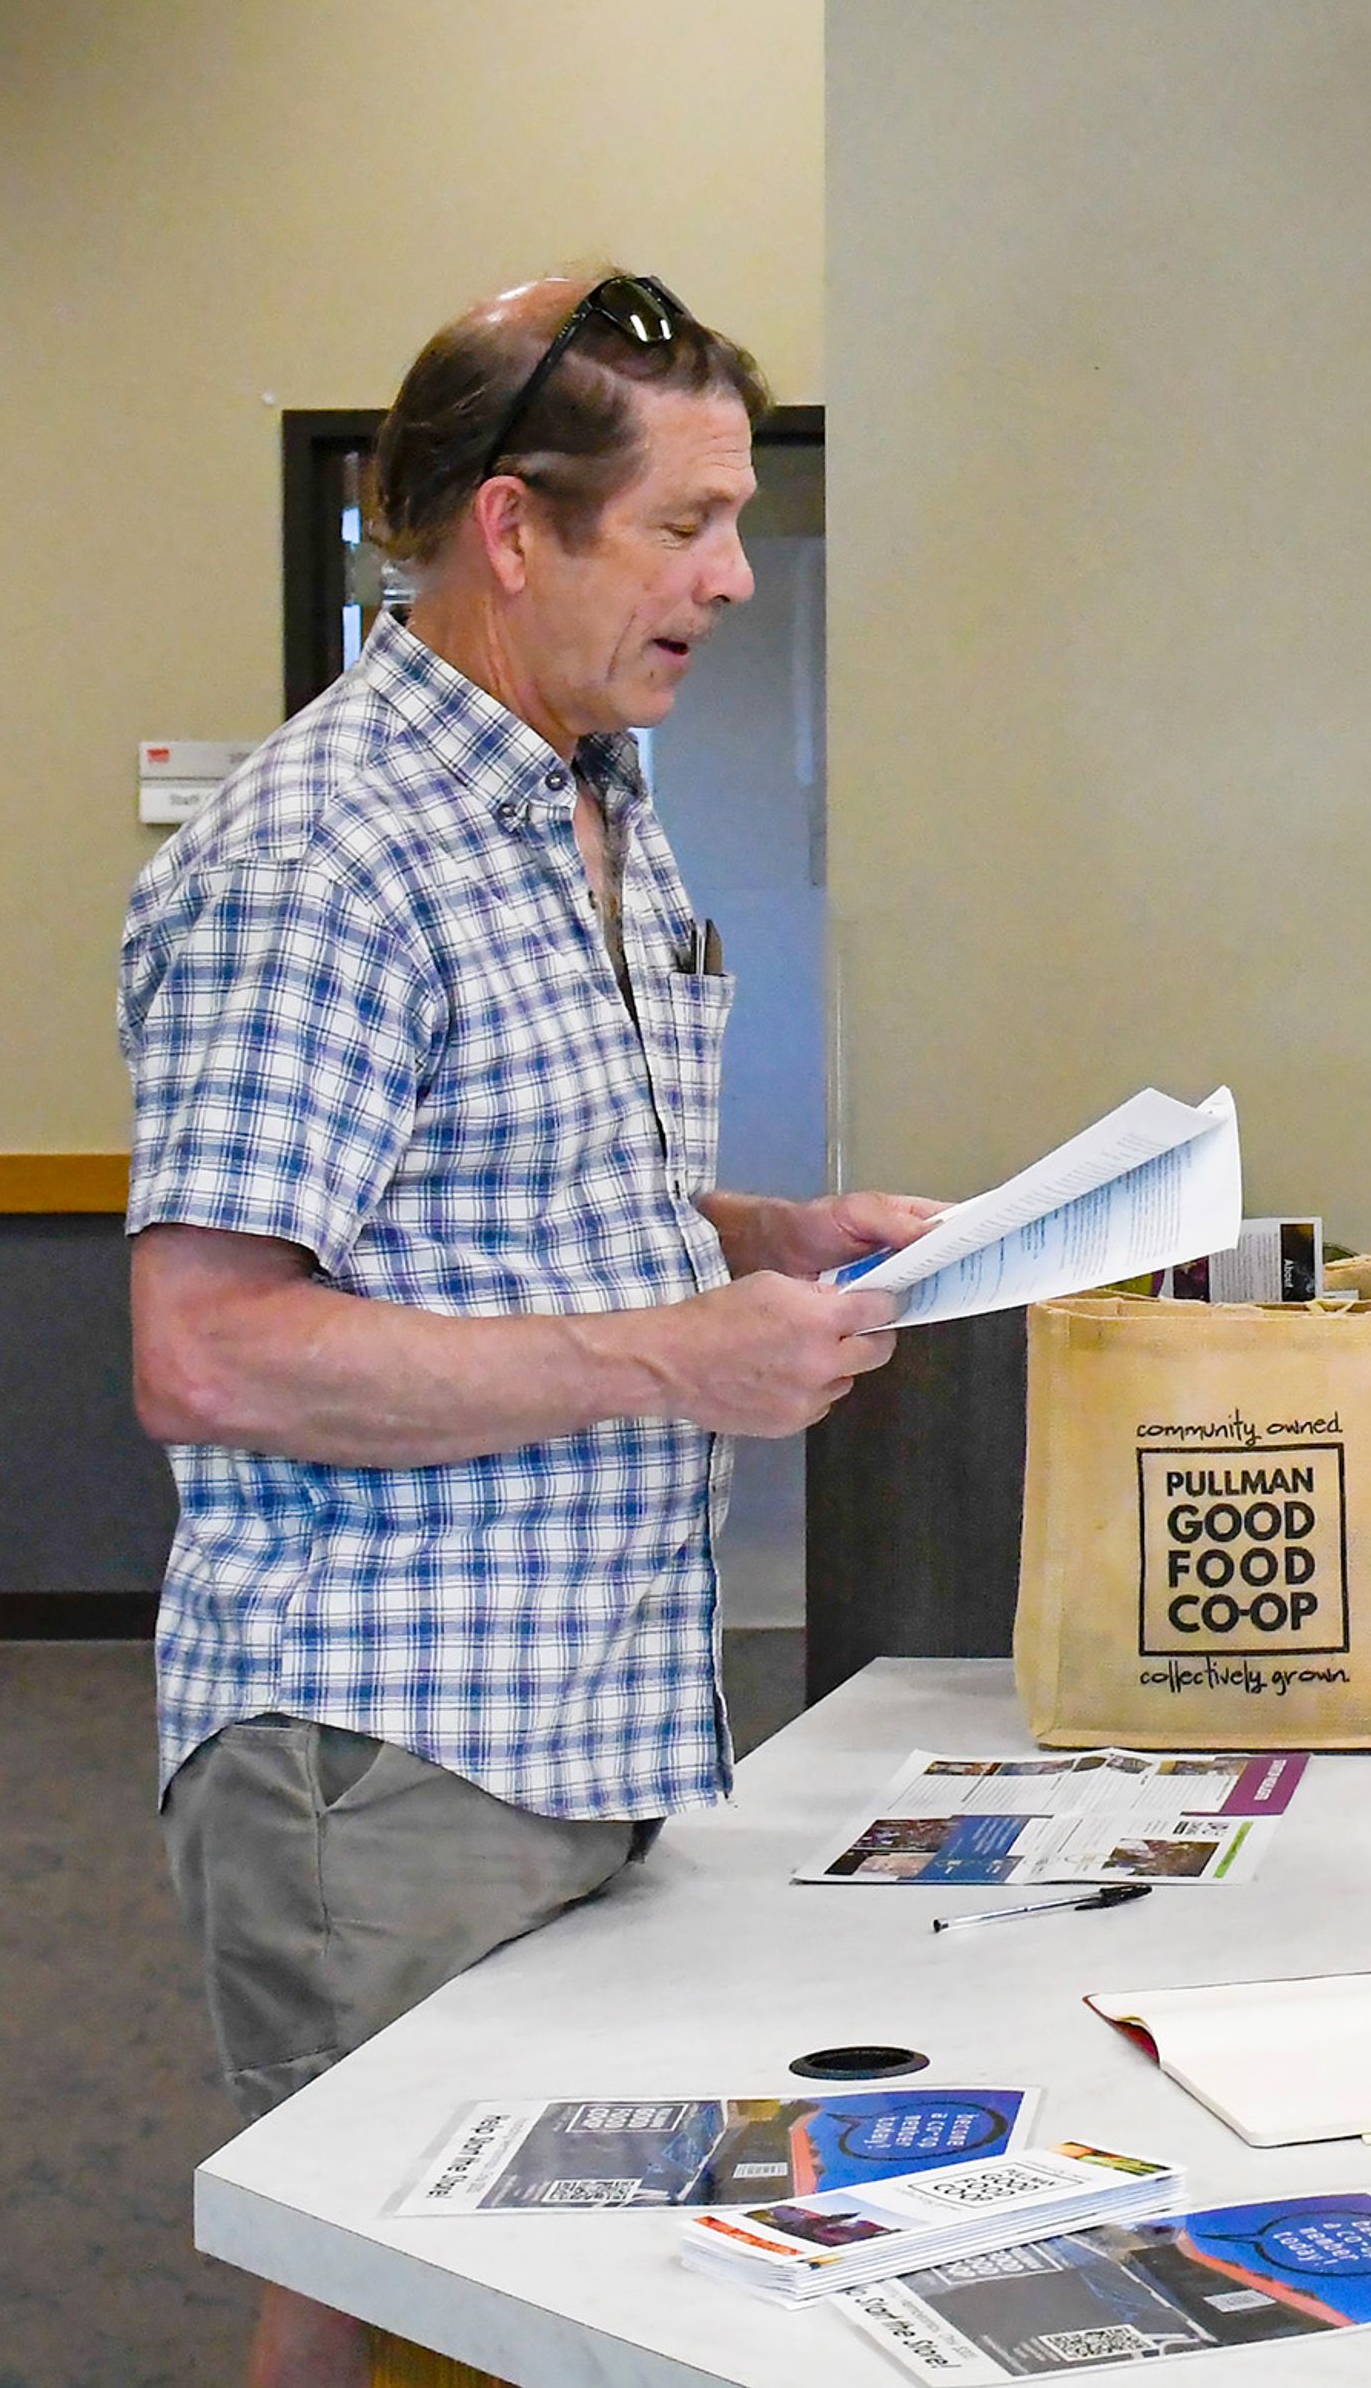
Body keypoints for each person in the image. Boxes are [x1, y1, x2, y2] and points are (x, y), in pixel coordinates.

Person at [122, 273, 930, 2388]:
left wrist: (767, 1234)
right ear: (512, 529)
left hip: (584, 1711)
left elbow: (513, 1207)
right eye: (685, 525)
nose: (738, 577)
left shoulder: (591, 800)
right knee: (415, 2281)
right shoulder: (325, 855)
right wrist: (682, 1356)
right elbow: (209, 1350)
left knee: (407, 2282)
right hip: (384, 1748)